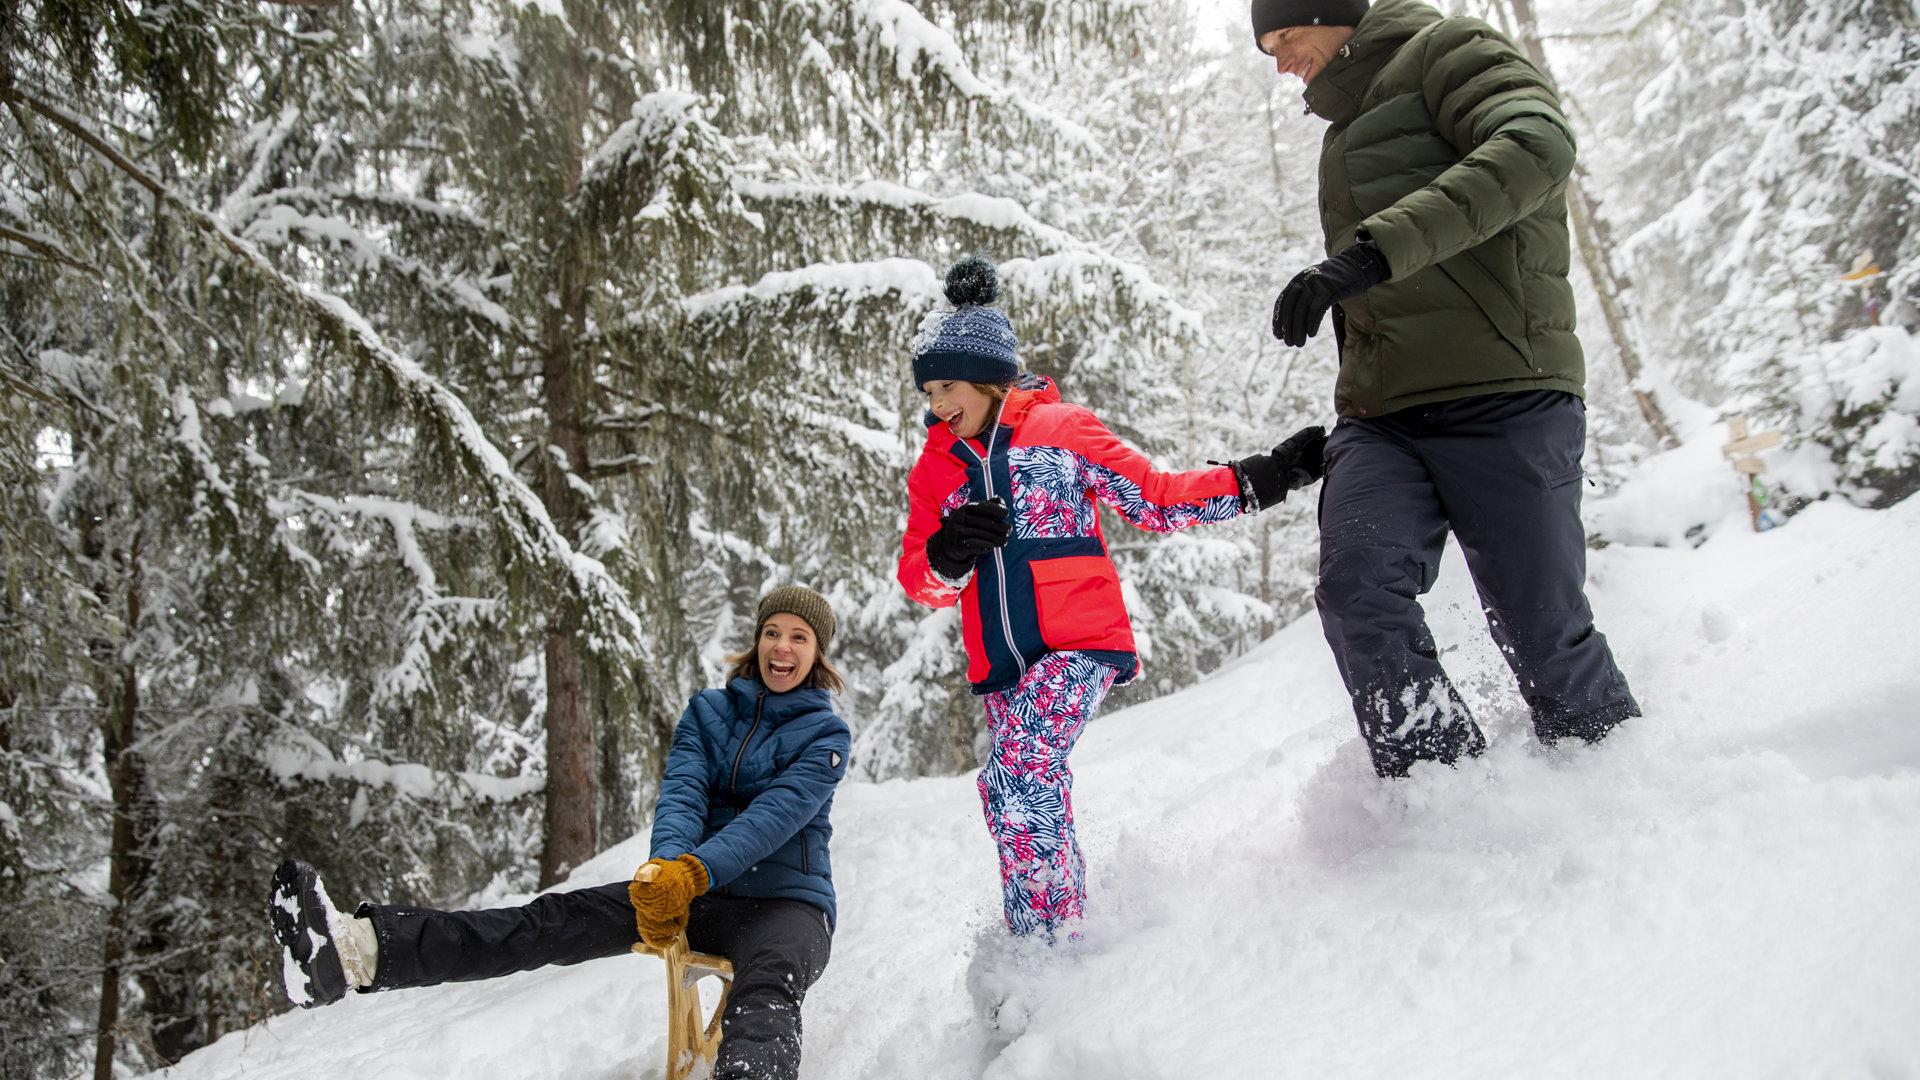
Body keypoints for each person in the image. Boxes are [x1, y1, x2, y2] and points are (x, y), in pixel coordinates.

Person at [1251, 0, 1641, 777]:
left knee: (1544, 631)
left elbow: (1537, 146)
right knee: (1358, 591)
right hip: (1382, 416)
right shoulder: (1341, 135)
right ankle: (1441, 793)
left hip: (1507, 391)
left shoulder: (1448, 49)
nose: (1280, 58)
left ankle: (1619, 798)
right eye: (1267, 47)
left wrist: (1371, 253)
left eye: (1287, 34)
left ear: (1334, 13)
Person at [897, 254, 1325, 941]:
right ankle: (1049, 936)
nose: (937, 405)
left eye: (947, 385)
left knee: (1024, 765)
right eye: (927, 392)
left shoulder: (1062, 430)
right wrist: (946, 554)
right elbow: (920, 581)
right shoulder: (936, 469)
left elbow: (1155, 499)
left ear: (987, 376)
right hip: (1005, 665)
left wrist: (1264, 477)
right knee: (1008, 790)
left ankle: (1052, 948)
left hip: (1078, 642)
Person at [268, 587, 851, 1080]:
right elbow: (682, 794)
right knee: (548, 921)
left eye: (799, 637)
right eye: (773, 631)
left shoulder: (826, 734)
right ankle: (355, 951)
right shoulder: (708, 712)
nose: (782, 646)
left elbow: (773, 818)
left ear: (817, 653)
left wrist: (689, 872)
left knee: (765, 993)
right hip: (695, 893)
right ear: (757, 641)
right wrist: (662, 873)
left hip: (788, 907)